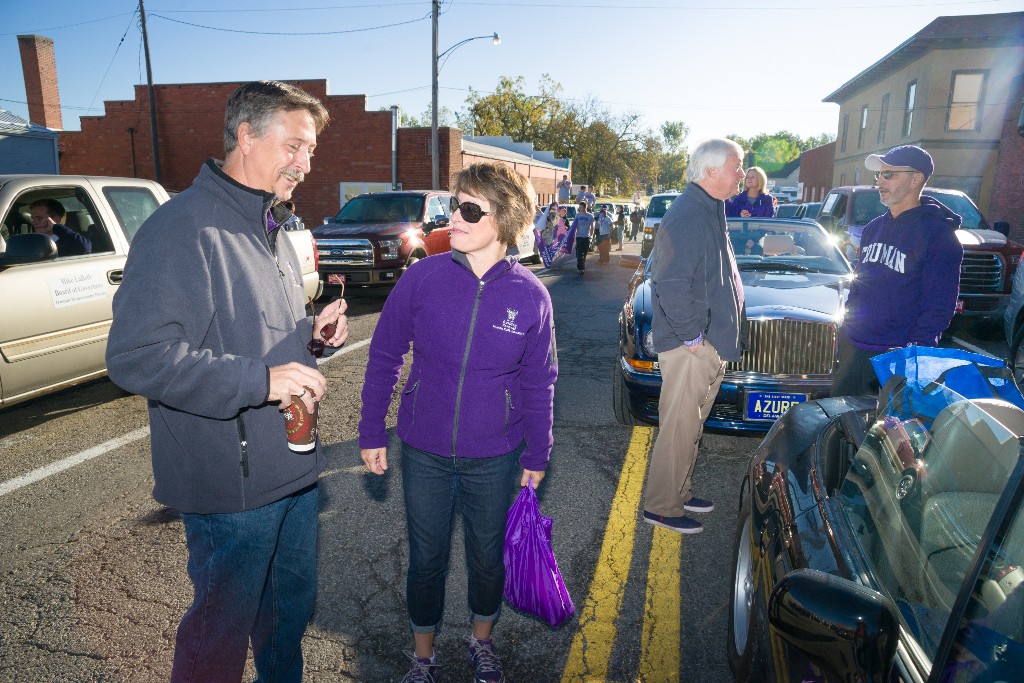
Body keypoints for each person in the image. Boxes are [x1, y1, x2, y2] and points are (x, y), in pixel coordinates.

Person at [105, 81, 349, 683]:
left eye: (311, 151)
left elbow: (249, 331)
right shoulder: (180, 228)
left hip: (293, 469)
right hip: (231, 489)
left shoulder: (273, 227)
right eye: (294, 145)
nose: (305, 162)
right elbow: (138, 355)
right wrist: (260, 380)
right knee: (218, 639)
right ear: (245, 135)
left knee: (286, 621)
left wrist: (310, 338)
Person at [359, 162, 557, 683]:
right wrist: (371, 430)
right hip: (422, 449)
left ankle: (481, 642)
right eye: (455, 205)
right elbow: (384, 354)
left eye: (471, 209)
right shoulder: (423, 277)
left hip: (494, 455)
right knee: (426, 560)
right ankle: (422, 655)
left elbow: (540, 381)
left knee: (487, 559)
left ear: (505, 221)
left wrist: (538, 453)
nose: (456, 218)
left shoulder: (531, 296)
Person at [643, 138, 746, 534]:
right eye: (736, 166)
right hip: (690, 348)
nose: (741, 173)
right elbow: (668, 281)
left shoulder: (710, 209)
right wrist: (693, 341)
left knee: (691, 426)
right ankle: (662, 506)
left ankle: (679, 492)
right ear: (711, 172)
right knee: (679, 428)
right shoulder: (688, 214)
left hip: (705, 345)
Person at [830, 145, 963, 397]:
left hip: (898, 358)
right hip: (856, 349)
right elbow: (859, 284)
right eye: (879, 175)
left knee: (888, 434)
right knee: (842, 426)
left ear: (916, 179)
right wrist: (848, 325)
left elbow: (939, 305)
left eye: (889, 174)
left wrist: (914, 353)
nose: (880, 180)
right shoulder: (872, 229)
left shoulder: (939, 235)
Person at [570, 201, 595, 274]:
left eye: (581, 207)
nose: (580, 208)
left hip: (586, 237)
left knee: (585, 253)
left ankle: (581, 266)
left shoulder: (590, 216)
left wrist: (591, 236)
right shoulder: (577, 215)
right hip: (579, 236)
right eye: (579, 207)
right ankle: (581, 268)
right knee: (580, 253)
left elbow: (592, 227)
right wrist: (572, 234)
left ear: (585, 207)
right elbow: (574, 225)